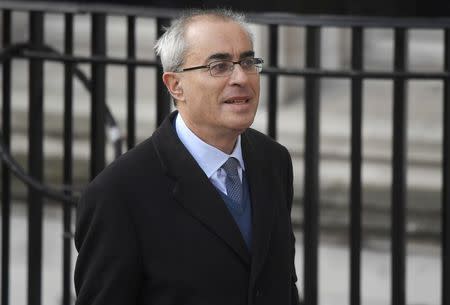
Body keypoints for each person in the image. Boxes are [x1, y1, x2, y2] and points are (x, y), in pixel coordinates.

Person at [74, 8, 300, 305]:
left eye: (248, 61)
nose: (241, 77)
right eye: (219, 66)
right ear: (175, 85)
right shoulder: (118, 194)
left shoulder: (273, 160)